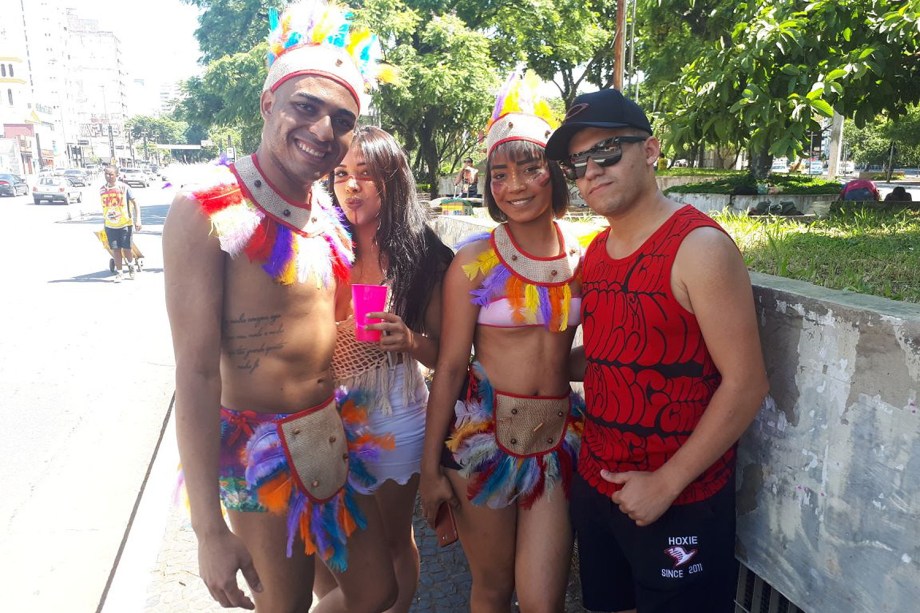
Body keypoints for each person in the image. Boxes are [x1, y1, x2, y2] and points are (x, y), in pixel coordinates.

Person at [162, 2, 398, 611]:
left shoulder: (325, 213)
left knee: (378, 591)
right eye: (305, 106)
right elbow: (192, 372)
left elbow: (329, 324)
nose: (323, 129)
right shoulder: (210, 207)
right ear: (268, 104)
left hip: (330, 432)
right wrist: (208, 530)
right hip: (255, 453)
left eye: (341, 118)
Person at [544, 88, 770, 613]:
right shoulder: (596, 253)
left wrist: (666, 483)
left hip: (681, 498)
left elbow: (747, 382)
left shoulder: (699, 248)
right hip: (599, 486)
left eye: (606, 152)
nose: (590, 172)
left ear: (650, 150)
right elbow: (606, 353)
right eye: (577, 163)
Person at [420, 71, 584, 613]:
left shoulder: (585, 257)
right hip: (480, 441)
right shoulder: (473, 260)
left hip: (556, 442)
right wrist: (428, 470)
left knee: (544, 601)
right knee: (492, 589)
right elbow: (448, 368)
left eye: (530, 168)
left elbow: (578, 353)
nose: (514, 185)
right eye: (499, 173)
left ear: (554, 173)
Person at [310, 126, 454, 611]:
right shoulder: (322, 243)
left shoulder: (422, 254)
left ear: (392, 181)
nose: (351, 186)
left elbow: (449, 355)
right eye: (341, 175)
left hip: (395, 416)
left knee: (393, 541)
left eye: (365, 176)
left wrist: (410, 339)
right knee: (331, 540)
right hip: (324, 418)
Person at [100, 165, 140, 282]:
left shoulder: (125, 188)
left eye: (111, 174)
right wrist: (104, 223)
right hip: (110, 225)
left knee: (127, 248)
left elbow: (135, 203)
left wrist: (138, 220)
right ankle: (120, 273)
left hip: (125, 224)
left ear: (117, 175)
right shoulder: (102, 189)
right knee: (115, 250)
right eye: (106, 174)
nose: (108, 176)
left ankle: (131, 266)